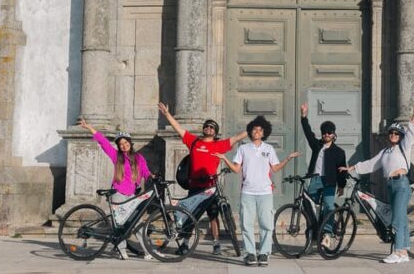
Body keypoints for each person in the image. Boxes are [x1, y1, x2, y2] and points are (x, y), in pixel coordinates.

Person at [158, 102, 247, 255]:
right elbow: (178, 129)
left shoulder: (219, 145)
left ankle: (216, 243)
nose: (209, 128)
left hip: (210, 186)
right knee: (190, 216)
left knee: (213, 215)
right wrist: (167, 114)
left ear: (216, 132)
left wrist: (253, 128)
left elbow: (237, 137)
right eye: (207, 126)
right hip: (195, 186)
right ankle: (185, 244)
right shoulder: (194, 141)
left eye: (212, 127)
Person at [339, 99, 414, 264]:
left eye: (396, 134)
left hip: (402, 184)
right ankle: (404, 251)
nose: (393, 135)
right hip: (390, 185)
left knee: (397, 219)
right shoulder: (385, 151)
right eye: (391, 133)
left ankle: (398, 252)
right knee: (400, 218)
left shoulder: (404, 146)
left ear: (400, 137)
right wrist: (351, 168)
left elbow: (411, 133)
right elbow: (370, 164)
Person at [214, 115, 300, 267]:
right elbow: (236, 169)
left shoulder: (269, 149)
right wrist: (224, 159)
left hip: (265, 192)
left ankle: (264, 253)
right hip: (248, 192)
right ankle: (250, 254)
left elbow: (274, 168)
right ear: (250, 131)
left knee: (266, 224)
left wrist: (288, 159)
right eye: (254, 129)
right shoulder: (243, 148)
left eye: (260, 130)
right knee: (246, 224)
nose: (257, 132)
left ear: (264, 132)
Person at [78, 118, 152, 261]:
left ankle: (148, 251)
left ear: (130, 143)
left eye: (126, 142)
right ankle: (121, 249)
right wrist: (89, 127)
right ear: (119, 146)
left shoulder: (139, 157)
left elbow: (146, 171)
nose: (124, 146)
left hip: (132, 195)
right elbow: (103, 142)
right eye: (121, 144)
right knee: (118, 224)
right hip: (118, 193)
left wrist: (153, 176)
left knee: (136, 222)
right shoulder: (116, 156)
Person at [299, 102, 347, 248]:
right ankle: (312, 233)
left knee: (328, 205)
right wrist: (303, 116)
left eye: (329, 132)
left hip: (330, 182)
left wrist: (342, 185)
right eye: (324, 132)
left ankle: (326, 234)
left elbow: (341, 170)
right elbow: (308, 133)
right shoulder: (317, 145)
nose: (326, 134)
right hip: (315, 180)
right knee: (310, 208)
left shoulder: (339, 152)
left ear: (334, 134)